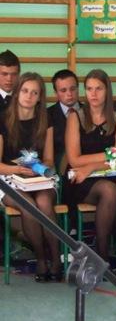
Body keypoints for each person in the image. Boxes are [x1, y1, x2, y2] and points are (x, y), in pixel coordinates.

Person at [65, 69, 116, 280]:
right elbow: (74, 159)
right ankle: (102, 257)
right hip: (82, 180)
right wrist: (106, 158)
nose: (93, 94)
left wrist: (92, 165)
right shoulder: (75, 117)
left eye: (98, 89)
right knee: (109, 190)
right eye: (89, 89)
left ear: (107, 91)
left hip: (107, 173)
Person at [0, 72, 61, 282]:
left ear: (39, 97)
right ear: (17, 93)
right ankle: (41, 258)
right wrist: (18, 169)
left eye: (34, 93)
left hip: (39, 177)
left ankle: (56, 259)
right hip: (9, 177)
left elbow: (50, 160)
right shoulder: (3, 119)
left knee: (44, 202)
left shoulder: (46, 119)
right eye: (25, 91)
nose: (29, 96)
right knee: (29, 206)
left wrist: (39, 168)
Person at [47, 69, 80, 168]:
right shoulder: (46, 115)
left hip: (87, 167)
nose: (69, 94)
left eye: (73, 89)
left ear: (78, 89)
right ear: (55, 93)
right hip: (59, 169)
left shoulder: (90, 113)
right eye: (63, 90)